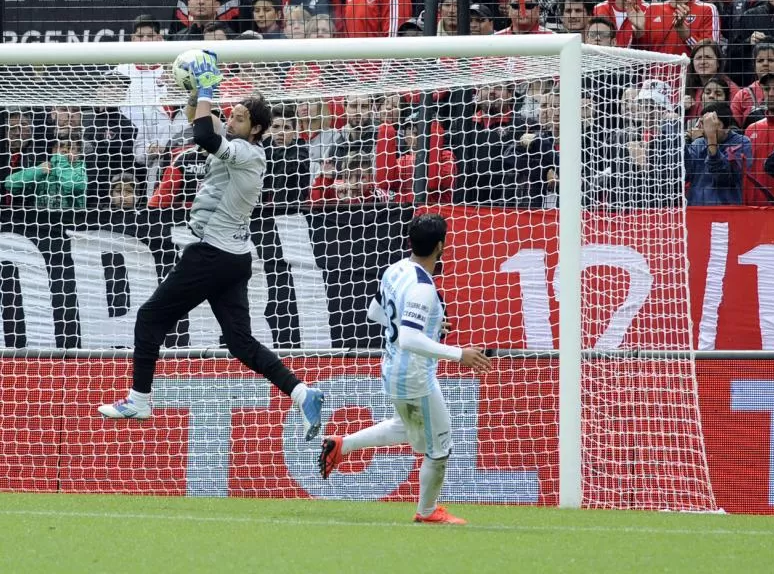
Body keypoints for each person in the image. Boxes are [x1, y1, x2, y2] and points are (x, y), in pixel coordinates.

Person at [99, 50, 325, 442]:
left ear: (256, 129)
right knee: (239, 341)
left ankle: (139, 398)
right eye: (231, 114)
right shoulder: (241, 145)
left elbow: (204, 134)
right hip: (233, 257)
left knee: (150, 318)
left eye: (239, 117)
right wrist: (195, 94)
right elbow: (200, 121)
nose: (231, 119)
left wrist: (206, 88)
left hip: (212, 253)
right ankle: (303, 392)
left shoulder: (247, 153)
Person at [318, 213, 492, 525]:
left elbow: (375, 313)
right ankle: (426, 512)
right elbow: (410, 337)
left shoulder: (395, 269)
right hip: (414, 376)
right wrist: (459, 354)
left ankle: (342, 445)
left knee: (405, 426)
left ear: (410, 242)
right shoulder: (424, 288)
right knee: (440, 448)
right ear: (441, 246)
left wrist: (431, 325)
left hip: (393, 369)